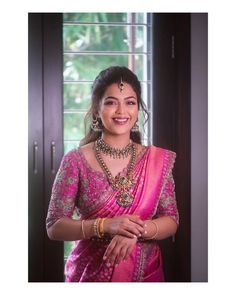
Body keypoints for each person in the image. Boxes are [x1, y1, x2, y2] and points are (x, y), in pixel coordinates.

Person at [46, 66, 179, 282]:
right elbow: (54, 226)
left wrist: (135, 232)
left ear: (138, 110)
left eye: (130, 102)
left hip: (146, 274)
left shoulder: (155, 161)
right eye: (111, 102)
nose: (121, 111)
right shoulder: (75, 160)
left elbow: (171, 220)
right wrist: (104, 225)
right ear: (97, 109)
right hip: (90, 273)